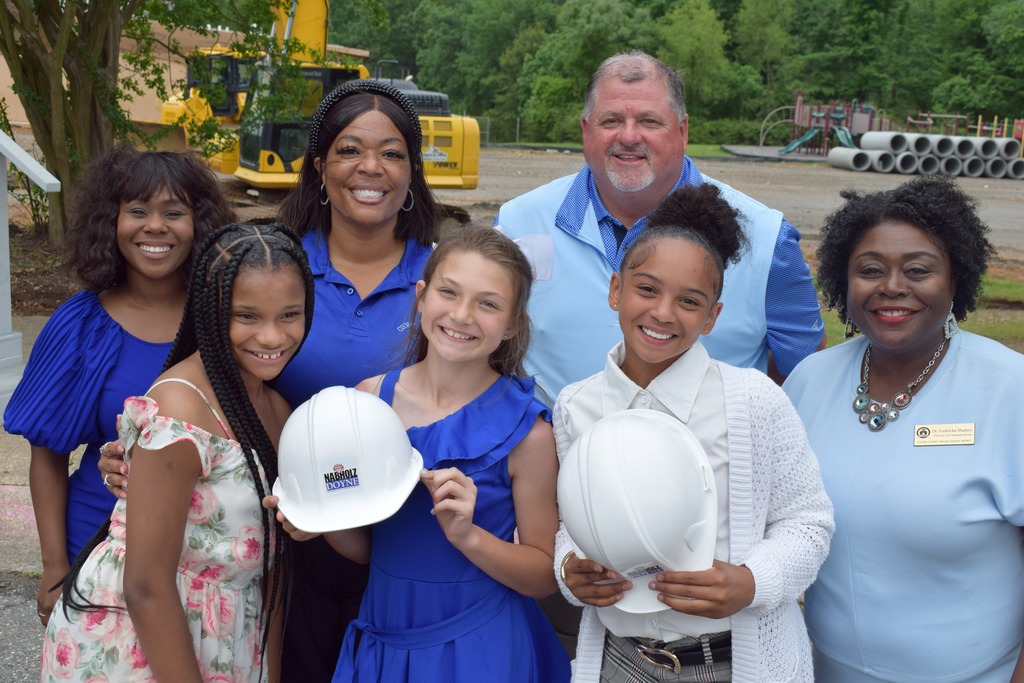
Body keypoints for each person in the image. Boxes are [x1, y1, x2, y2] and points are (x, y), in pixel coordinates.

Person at [555, 184, 834, 682]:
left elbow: (809, 523)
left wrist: (753, 582)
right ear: (616, 289)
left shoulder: (753, 400)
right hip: (620, 661)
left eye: (689, 301)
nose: (663, 312)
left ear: (712, 316)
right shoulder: (575, 406)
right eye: (647, 289)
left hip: (732, 661)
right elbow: (572, 521)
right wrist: (570, 572)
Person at [269, 225, 571, 682]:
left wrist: (469, 536)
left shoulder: (529, 431)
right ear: (421, 296)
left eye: (488, 303)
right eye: (448, 293)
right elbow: (372, 551)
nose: (463, 314)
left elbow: (543, 576)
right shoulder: (367, 403)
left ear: (512, 325)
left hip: (478, 650)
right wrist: (321, 520)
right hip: (384, 641)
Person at [40, 223, 315, 683]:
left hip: (229, 632)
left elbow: (273, 564)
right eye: (247, 316)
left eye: (289, 315)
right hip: (148, 643)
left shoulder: (275, 409)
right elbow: (146, 584)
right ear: (209, 311)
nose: (271, 337)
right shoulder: (180, 411)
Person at [783, 175, 1024, 682]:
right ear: (843, 282)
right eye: (870, 270)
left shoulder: (1010, 390)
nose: (892, 286)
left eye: (918, 270)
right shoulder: (810, 382)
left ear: (956, 280)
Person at [496, 50, 824, 405]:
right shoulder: (520, 222)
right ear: (585, 130)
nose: (629, 136)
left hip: (703, 458)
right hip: (557, 456)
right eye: (610, 121)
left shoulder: (766, 238)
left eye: (650, 121)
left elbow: (804, 372)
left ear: (682, 131)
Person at [3, 145, 234, 628]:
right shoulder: (80, 325)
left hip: (211, 556)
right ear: (110, 222)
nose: (156, 226)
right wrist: (52, 567)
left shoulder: (226, 319)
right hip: (98, 549)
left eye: (174, 212)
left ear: (201, 225)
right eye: (138, 211)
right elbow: (46, 456)